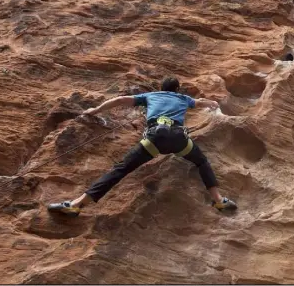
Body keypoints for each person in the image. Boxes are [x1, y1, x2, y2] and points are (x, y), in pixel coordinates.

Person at [47, 77, 238, 216]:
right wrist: (212, 103)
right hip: (179, 139)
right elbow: (202, 103)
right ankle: (219, 200)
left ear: (160, 88)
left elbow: (120, 100)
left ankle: (76, 204)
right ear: (177, 90)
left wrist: (94, 110)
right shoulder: (183, 99)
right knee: (202, 162)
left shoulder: (151, 95)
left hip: (154, 139)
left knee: (121, 169)